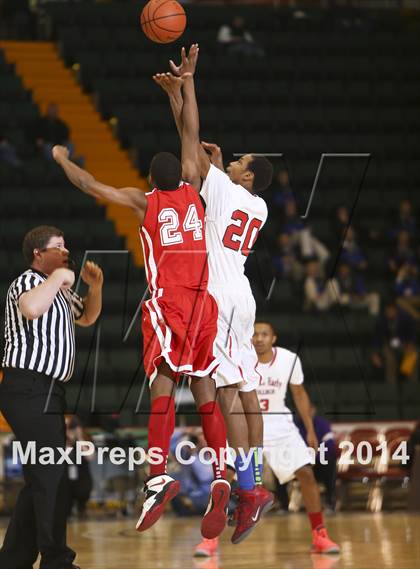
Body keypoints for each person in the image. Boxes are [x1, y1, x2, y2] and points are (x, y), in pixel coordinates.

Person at [52, 144, 230, 540]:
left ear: (150, 181)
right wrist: (184, 87)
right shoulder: (194, 190)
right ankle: (221, 475)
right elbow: (189, 135)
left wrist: (62, 159)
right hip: (205, 304)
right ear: (181, 176)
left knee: (161, 388)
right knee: (206, 393)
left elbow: (89, 184)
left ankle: (157, 476)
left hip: (170, 303)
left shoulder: (141, 200)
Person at [154, 44, 274, 546]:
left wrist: (188, 84)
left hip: (220, 295)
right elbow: (192, 142)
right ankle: (257, 486)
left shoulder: (225, 188)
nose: (232, 157)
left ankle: (246, 489)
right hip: (242, 292)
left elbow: (191, 138)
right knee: (246, 394)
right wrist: (177, 98)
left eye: (239, 160)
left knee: (226, 394)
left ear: (243, 175)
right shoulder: (258, 204)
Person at [0, 225, 103, 569]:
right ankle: (57, 560)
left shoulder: (58, 290)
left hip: (49, 391)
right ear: (38, 254)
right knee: (51, 471)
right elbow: (30, 308)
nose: (66, 251)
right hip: (27, 385)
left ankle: (14, 558)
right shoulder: (29, 282)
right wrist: (59, 275)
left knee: (41, 475)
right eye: (58, 247)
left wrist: (96, 288)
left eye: (66, 245)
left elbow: (87, 316)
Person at [252, 321, 340, 554]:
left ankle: (320, 535)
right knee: (224, 476)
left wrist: (310, 429)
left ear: (273, 338)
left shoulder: (289, 359)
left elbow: (299, 395)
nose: (259, 338)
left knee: (306, 474)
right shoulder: (240, 358)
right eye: (254, 334)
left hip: (279, 423)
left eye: (264, 334)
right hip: (247, 421)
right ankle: (209, 539)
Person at [296, 404, 337, 512]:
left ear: (314, 410)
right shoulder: (295, 425)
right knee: (280, 467)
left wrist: (314, 455)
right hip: (301, 462)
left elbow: (330, 445)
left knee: (330, 464)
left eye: (309, 410)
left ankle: (330, 503)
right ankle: (283, 505)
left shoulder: (322, 424)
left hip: (319, 461)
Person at [372, 300, 418, 383]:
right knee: (390, 361)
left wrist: (410, 344)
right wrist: (375, 354)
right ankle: (391, 388)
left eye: (391, 310)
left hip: (404, 343)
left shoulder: (405, 318)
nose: (389, 313)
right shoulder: (381, 320)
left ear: (396, 310)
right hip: (387, 345)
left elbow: (412, 332)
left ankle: (411, 386)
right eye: (387, 311)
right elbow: (377, 337)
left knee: (411, 356)